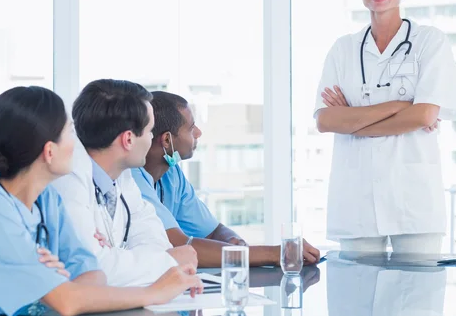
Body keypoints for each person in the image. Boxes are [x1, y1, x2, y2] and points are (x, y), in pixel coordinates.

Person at [0, 86, 202, 316]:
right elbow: (67, 301)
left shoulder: (47, 200)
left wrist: (54, 285)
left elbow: (94, 276)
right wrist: (155, 292)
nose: (77, 145)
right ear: (49, 151)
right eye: (69, 133)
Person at [314, 0, 456, 253]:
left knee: (417, 298)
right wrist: (400, 107)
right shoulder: (342, 50)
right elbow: (325, 120)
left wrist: (352, 120)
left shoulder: (429, 42)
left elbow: (424, 116)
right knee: (355, 298)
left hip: (413, 202)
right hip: (357, 202)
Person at [131, 91, 321, 267]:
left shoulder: (172, 174)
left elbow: (212, 230)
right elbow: (178, 244)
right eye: (190, 128)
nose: (198, 133)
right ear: (166, 140)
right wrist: (276, 254)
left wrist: (233, 242)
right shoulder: (132, 179)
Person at [50, 79, 198, 287]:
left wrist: (115, 256)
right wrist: (169, 262)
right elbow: (91, 272)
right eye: (150, 131)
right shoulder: (67, 180)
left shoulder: (121, 176)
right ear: (128, 139)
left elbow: (155, 239)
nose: (151, 139)